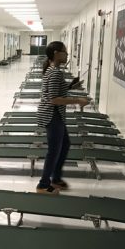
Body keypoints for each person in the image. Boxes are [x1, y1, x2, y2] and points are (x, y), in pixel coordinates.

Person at [35, 41, 90, 195]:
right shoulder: (55, 72)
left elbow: (57, 91)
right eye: (65, 52)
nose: (67, 54)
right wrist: (79, 101)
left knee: (64, 145)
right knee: (54, 150)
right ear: (56, 54)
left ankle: (56, 178)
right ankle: (43, 185)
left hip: (56, 114)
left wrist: (72, 86)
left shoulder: (54, 70)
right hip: (52, 115)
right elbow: (54, 99)